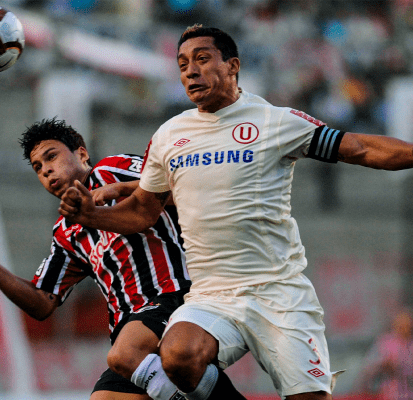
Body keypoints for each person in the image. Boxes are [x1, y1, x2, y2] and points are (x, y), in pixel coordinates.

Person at [57, 25, 413, 400]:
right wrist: (90, 217)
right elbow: (143, 212)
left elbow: (357, 147)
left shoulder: (275, 121)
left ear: (233, 66)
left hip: (278, 291)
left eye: (202, 59)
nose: (190, 71)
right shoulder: (169, 136)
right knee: (177, 356)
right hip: (213, 294)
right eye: (182, 64)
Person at [0, 118, 245, 400]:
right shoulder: (66, 231)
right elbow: (42, 302)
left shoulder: (111, 170)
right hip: (130, 326)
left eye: (51, 156)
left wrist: (125, 188)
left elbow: (185, 184)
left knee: (124, 354)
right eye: (38, 167)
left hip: (176, 297)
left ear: (81, 153)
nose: (46, 170)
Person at [360, 309, 413, 400]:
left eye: (407, 326)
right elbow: (368, 366)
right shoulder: (384, 343)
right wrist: (383, 366)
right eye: (401, 326)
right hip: (388, 394)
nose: (405, 329)